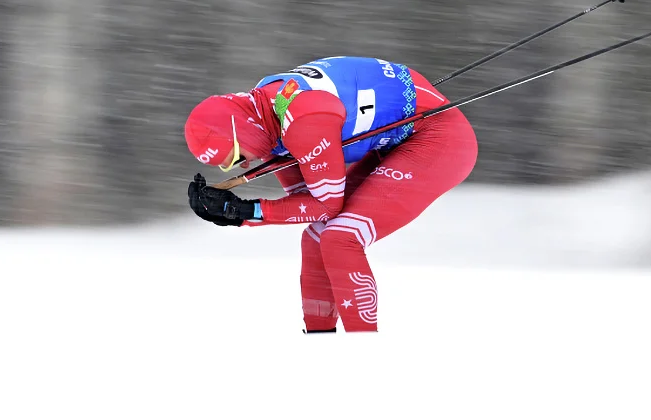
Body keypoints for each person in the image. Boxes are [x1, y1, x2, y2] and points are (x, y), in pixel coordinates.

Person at [184, 56, 478, 333]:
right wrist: (236, 215)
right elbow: (305, 199)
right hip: (401, 133)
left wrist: (244, 212)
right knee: (316, 238)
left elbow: (324, 205)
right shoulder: (265, 116)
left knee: (341, 237)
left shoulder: (302, 121)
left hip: (439, 138)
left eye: (235, 156)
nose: (244, 165)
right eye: (228, 166)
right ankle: (320, 345)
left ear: (243, 131)